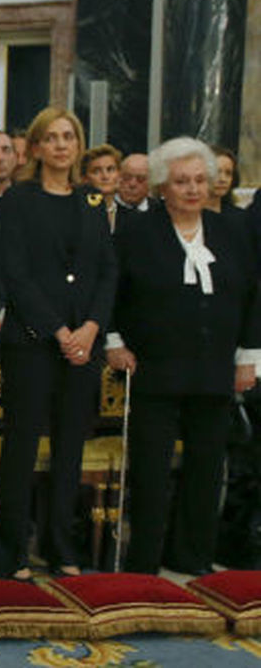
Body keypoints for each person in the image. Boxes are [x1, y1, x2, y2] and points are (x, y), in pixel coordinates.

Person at [106, 137, 261, 576]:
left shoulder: (233, 232)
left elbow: (253, 296)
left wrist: (249, 357)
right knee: (152, 472)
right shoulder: (136, 234)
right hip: (154, 368)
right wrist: (114, 342)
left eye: (199, 180)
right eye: (181, 182)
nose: (192, 189)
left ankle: (191, 558)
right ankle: (145, 563)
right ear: (161, 187)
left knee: (206, 468)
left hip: (215, 369)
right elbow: (112, 294)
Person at [0, 107, 116, 580]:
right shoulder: (17, 200)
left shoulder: (91, 201)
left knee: (70, 447)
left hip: (84, 344)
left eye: (70, 136)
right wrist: (59, 331)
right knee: (22, 445)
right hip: (32, 342)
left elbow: (108, 270)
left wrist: (90, 328)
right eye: (53, 137)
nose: (62, 145)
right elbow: (15, 274)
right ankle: (13, 551)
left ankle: (60, 543)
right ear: (37, 147)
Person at [81, 144, 123, 233]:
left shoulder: (131, 215)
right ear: (85, 179)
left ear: (119, 174)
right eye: (96, 171)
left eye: (110, 169)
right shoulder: (78, 214)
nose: (105, 176)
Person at [206, 145, 244, 225]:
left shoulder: (242, 218)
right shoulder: (187, 218)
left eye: (228, 173)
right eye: (216, 172)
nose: (223, 179)